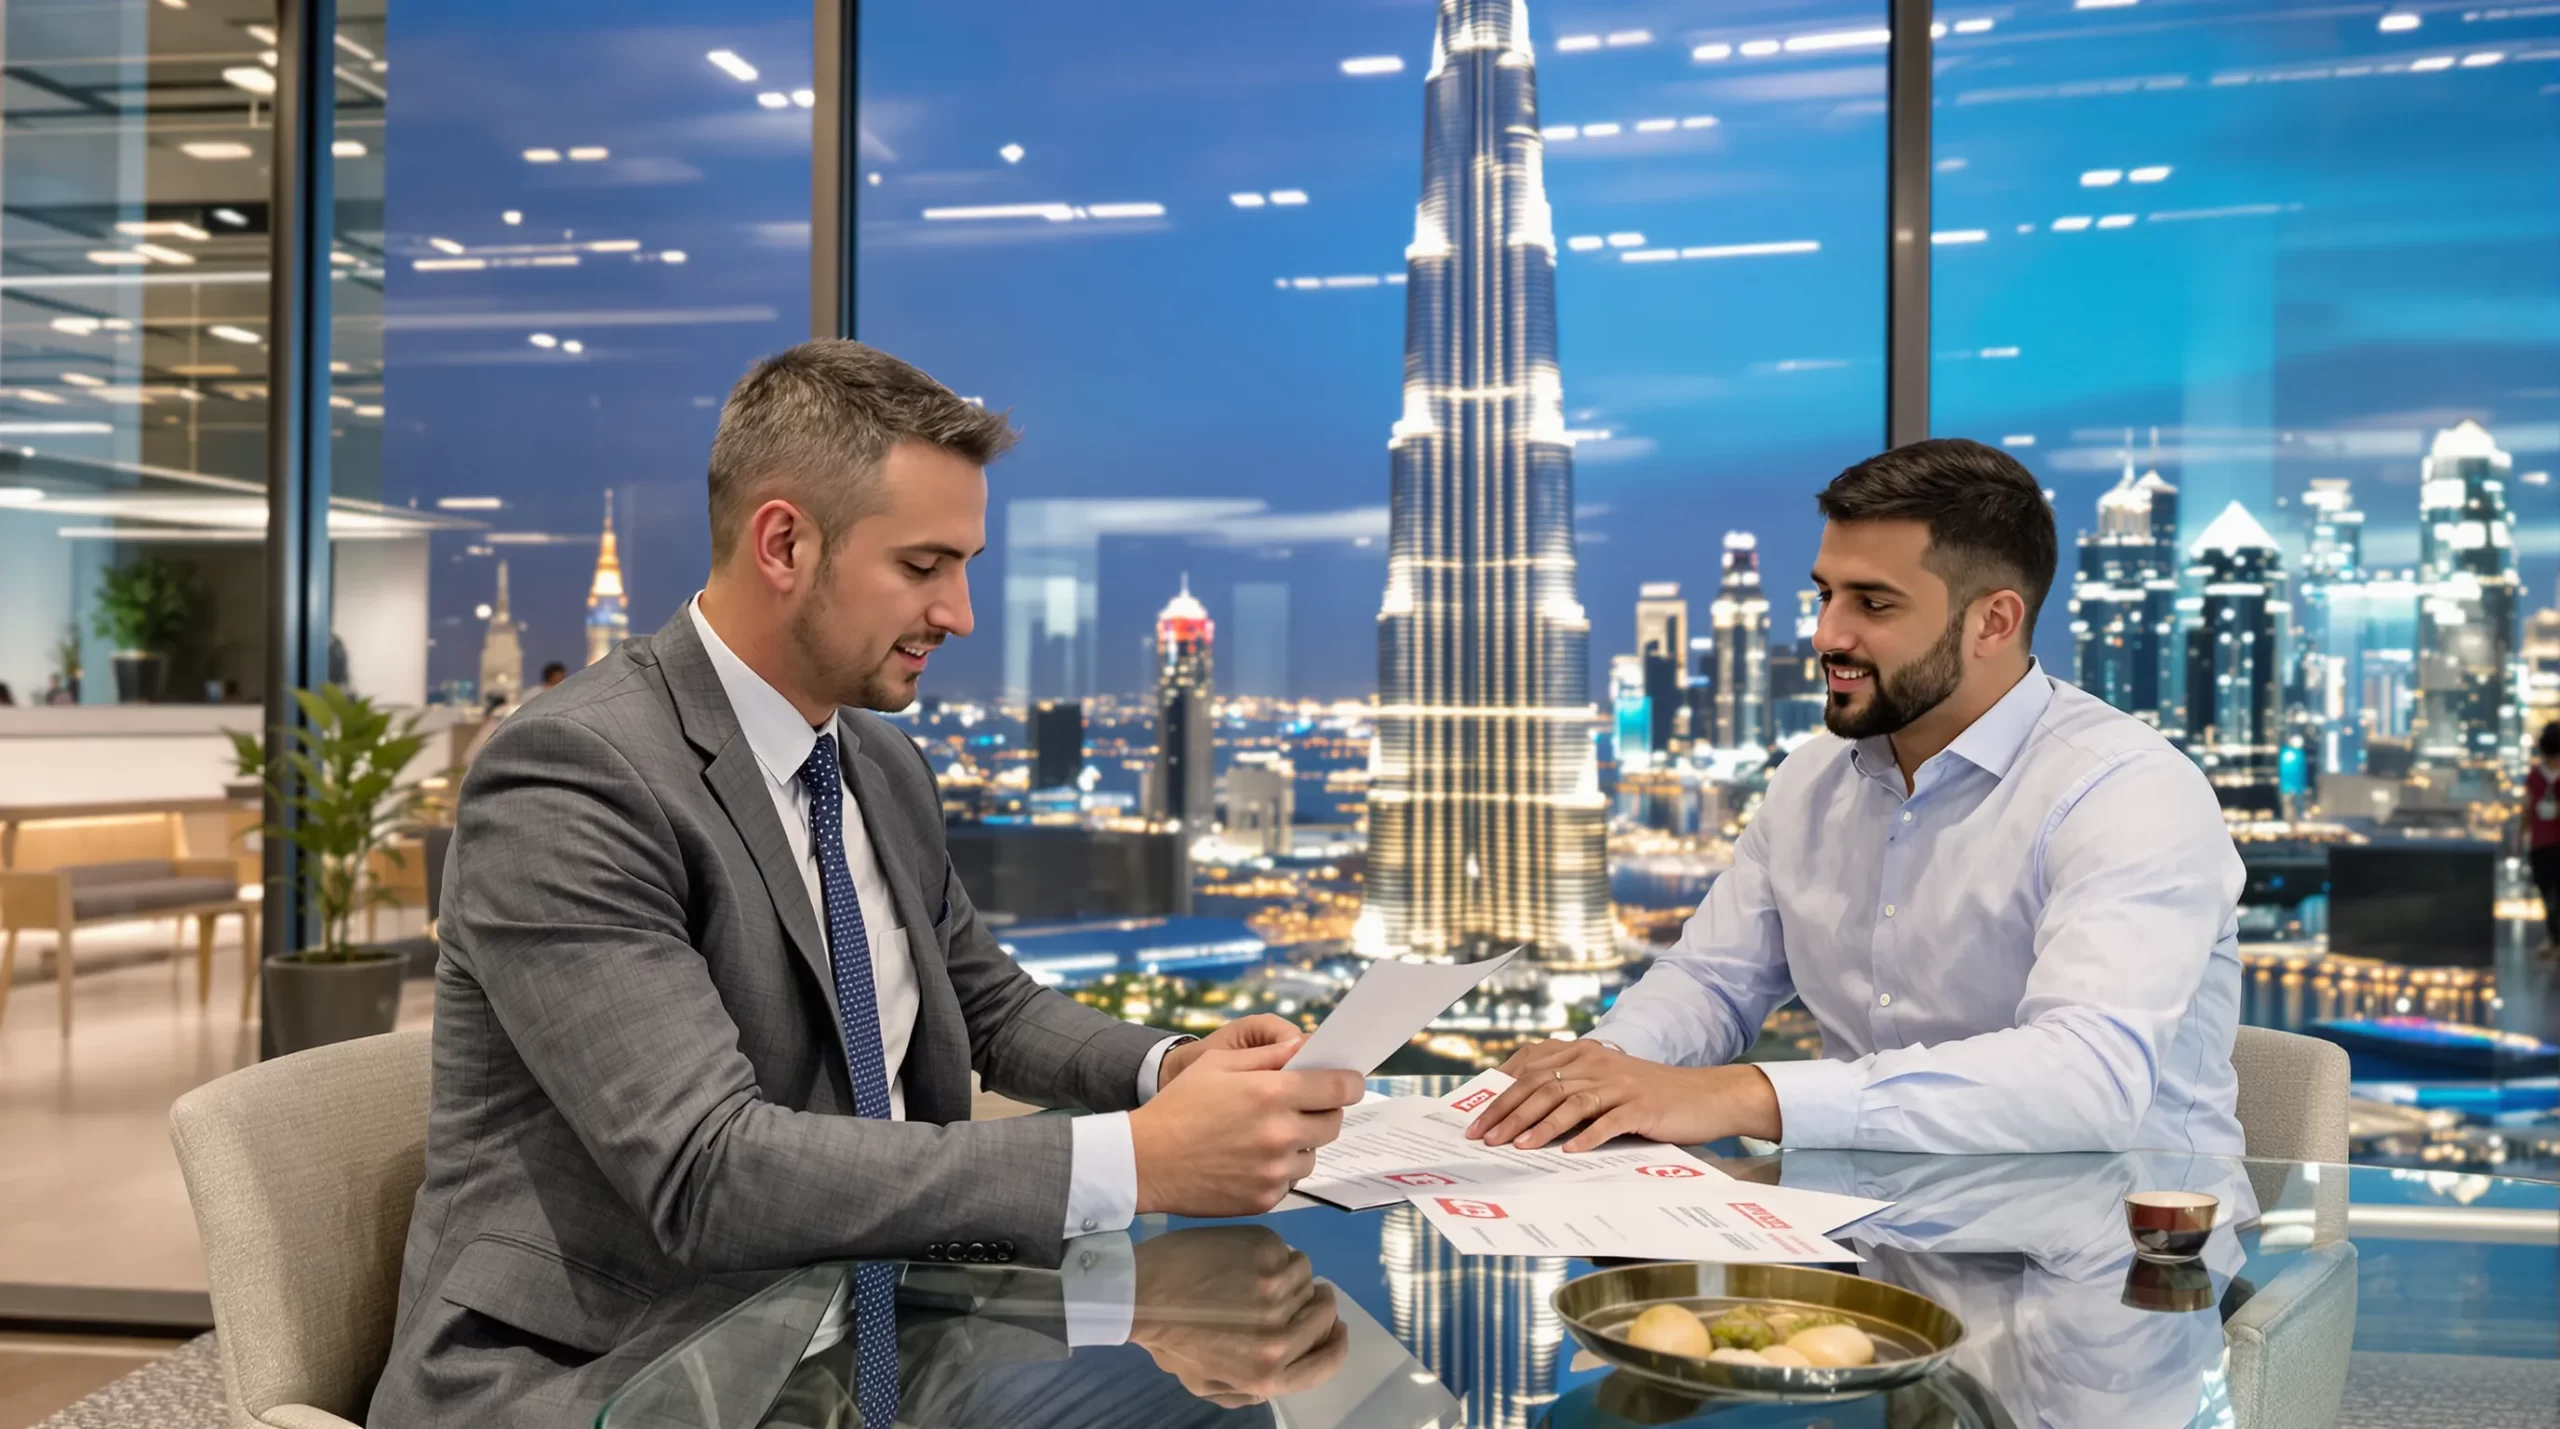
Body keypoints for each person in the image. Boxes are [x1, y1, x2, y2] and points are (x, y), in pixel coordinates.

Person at [370, 341, 1364, 1429]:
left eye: (966, 566)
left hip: (873, 1327)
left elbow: (988, 1003)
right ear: (785, 542)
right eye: (925, 566)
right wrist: (1134, 1159)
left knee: (1245, 1404)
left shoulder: (873, 760)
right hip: (615, 1371)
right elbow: (709, 1170)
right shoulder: (576, 774)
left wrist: (1166, 1066)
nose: (961, 613)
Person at [1466, 438, 2245, 1159]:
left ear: (1993, 621)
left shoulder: (2127, 792)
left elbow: (2085, 1082)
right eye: (1825, 595)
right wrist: (1601, 1067)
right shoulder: (1811, 778)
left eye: (1873, 604)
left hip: (2118, 1269)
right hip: (1866, 1242)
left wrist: (1741, 1093)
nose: (1826, 636)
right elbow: (1711, 982)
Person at [2522, 721, 2560, 953]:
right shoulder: (2535, 777)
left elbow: (2526, 809)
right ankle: (2554, 938)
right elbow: (2527, 809)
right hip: (2542, 843)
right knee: (2549, 894)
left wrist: (2521, 836)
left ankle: (2554, 940)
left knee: (2552, 894)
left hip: (2542, 843)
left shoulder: (2534, 777)